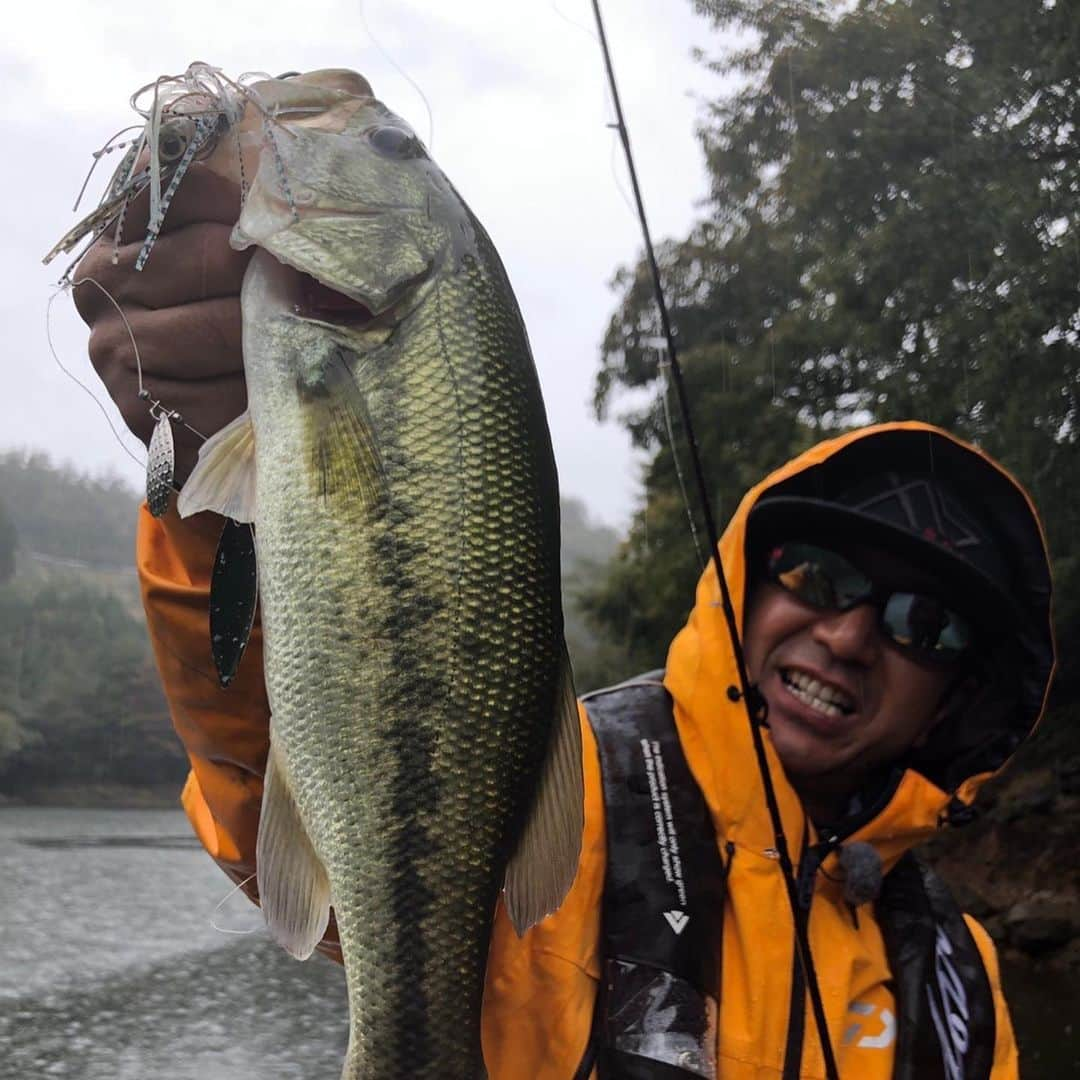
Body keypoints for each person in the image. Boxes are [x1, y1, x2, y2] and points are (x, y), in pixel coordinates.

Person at [75, 160, 1054, 1080]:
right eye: (818, 572)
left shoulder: (957, 972)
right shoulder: (566, 794)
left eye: (926, 623)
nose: (848, 635)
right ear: (746, 588)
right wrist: (212, 481)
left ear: (957, 695)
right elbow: (267, 767)